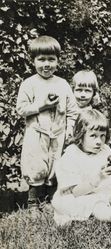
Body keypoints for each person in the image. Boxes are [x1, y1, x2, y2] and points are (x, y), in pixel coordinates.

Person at [16, 35, 76, 205]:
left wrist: (70, 127)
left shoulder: (63, 84)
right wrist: (40, 106)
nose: (46, 64)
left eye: (51, 59)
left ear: (58, 61)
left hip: (58, 133)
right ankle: (33, 201)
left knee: (55, 166)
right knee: (35, 165)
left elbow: (72, 110)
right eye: (41, 59)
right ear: (33, 61)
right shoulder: (29, 84)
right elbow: (21, 109)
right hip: (36, 133)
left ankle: (49, 201)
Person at [52, 109, 111, 225]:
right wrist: (99, 178)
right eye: (93, 136)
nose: (99, 141)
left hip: (103, 192)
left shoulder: (104, 150)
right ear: (80, 135)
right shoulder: (71, 156)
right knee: (100, 209)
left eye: (102, 136)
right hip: (81, 196)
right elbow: (76, 192)